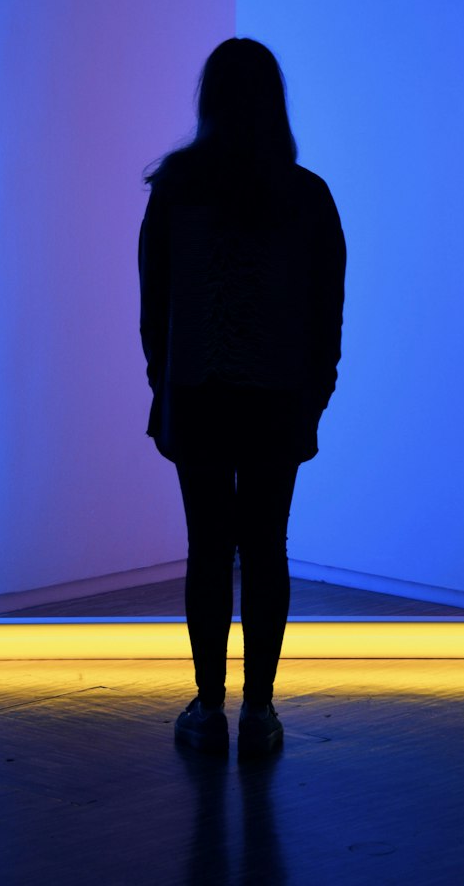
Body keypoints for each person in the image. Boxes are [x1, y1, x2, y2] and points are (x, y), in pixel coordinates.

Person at [138, 37, 346, 757]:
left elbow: (154, 305)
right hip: (277, 397)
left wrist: (162, 388)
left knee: (207, 550)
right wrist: (315, 394)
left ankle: (207, 704)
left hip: (197, 392)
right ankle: (259, 709)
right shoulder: (305, 195)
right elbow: (326, 311)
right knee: (266, 547)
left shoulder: (177, 188)